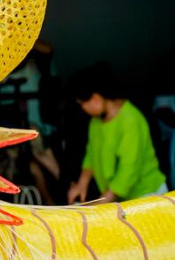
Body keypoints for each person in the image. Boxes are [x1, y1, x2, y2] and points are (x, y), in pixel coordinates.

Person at [67, 63, 167, 204]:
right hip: (123, 200)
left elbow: (128, 172)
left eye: (82, 103)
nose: (82, 108)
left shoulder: (130, 120)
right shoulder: (96, 122)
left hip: (149, 197)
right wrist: (82, 183)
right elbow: (92, 153)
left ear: (95, 98)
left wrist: (99, 207)